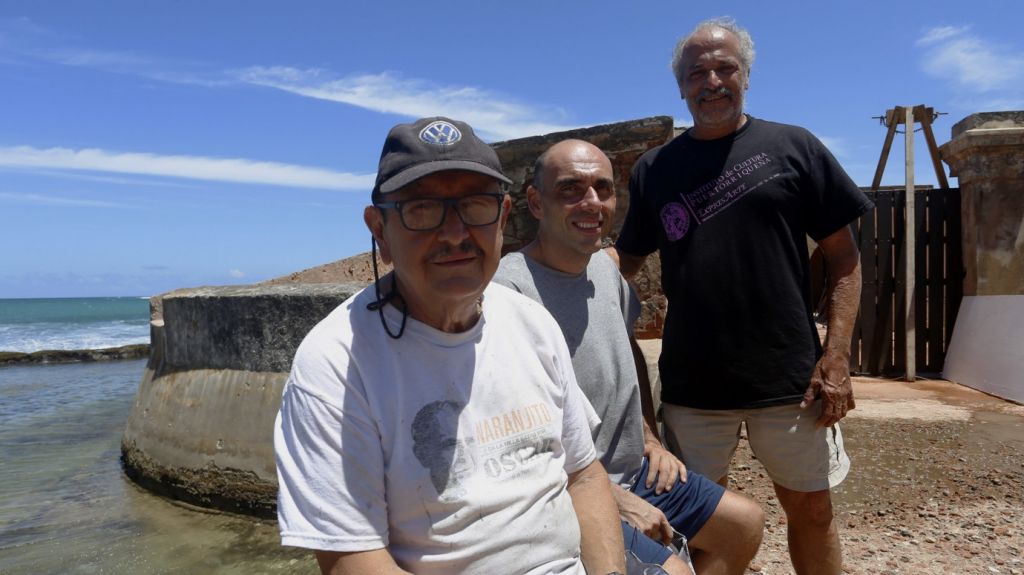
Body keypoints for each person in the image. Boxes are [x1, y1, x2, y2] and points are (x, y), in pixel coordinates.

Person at [274, 117, 627, 575]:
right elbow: (353, 558)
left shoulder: (532, 323)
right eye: (422, 210)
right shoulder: (336, 365)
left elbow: (583, 475)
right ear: (378, 229)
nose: (456, 232)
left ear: (501, 218)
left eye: (476, 205)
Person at [610, 18, 874, 575]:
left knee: (811, 509)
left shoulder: (794, 146)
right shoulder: (657, 169)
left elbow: (845, 260)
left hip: (791, 378)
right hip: (693, 385)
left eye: (724, 68)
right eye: (696, 72)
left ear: (746, 76)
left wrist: (838, 358)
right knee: (699, 519)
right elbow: (623, 264)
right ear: (680, 86)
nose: (712, 81)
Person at [495, 139, 764, 575]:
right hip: (573, 487)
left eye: (603, 188)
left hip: (636, 470)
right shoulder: (510, 293)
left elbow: (628, 354)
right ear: (534, 203)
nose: (592, 203)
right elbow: (516, 430)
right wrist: (615, 499)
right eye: (570, 189)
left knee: (744, 525)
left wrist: (652, 439)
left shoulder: (604, 269)